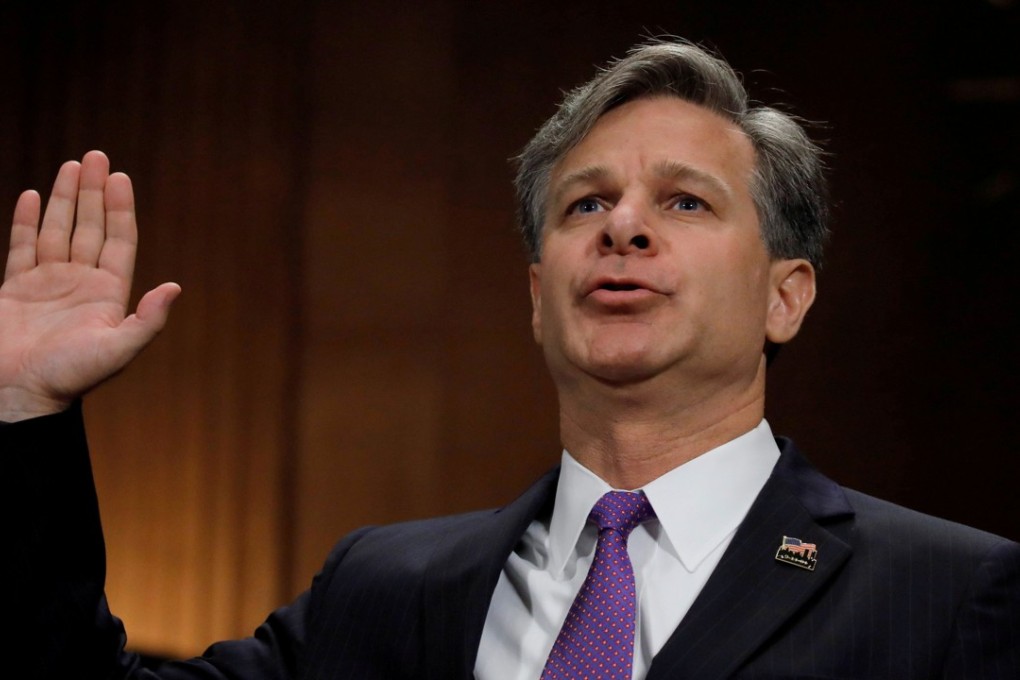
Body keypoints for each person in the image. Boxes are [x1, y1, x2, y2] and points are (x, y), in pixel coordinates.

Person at [3, 39, 1018, 680]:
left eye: (683, 200)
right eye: (586, 203)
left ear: (785, 295)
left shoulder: (945, 592)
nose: (622, 226)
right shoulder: (385, 588)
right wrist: (24, 412)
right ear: (539, 296)